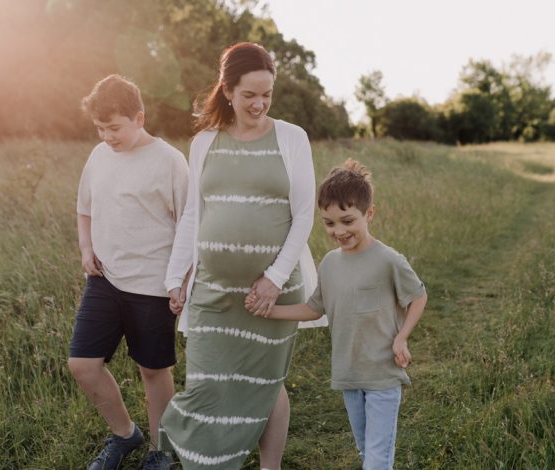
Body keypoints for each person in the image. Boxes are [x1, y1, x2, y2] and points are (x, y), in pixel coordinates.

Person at [159, 42, 324, 469]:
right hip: (213, 293)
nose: (259, 103)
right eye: (250, 94)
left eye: (267, 94)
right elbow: (194, 214)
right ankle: (205, 459)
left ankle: (270, 467)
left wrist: (273, 278)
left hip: (271, 292)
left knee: (266, 384)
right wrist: (176, 277)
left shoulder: (291, 138)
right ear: (227, 90)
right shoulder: (204, 142)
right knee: (204, 384)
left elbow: (304, 215)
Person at [246, 159, 428, 470]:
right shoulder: (329, 264)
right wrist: (269, 310)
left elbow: (418, 296)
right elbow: (314, 308)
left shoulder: (388, 260)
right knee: (364, 451)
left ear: (369, 214)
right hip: (348, 375)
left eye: (347, 221)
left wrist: (401, 338)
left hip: (383, 375)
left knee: (377, 461)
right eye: (329, 223)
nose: (338, 231)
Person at [68, 74, 188, 470]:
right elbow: (85, 208)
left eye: (114, 127)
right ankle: (124, 435)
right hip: (104, 279)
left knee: (153, 369)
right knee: (82, 365)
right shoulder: (99, 156)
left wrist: (180, 281)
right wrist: (86, 248)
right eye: (100, 128)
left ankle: (161, 450)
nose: (107, 136)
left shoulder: (169, 161)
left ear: (139, 117)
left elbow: (189, 225)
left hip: (153, 284)